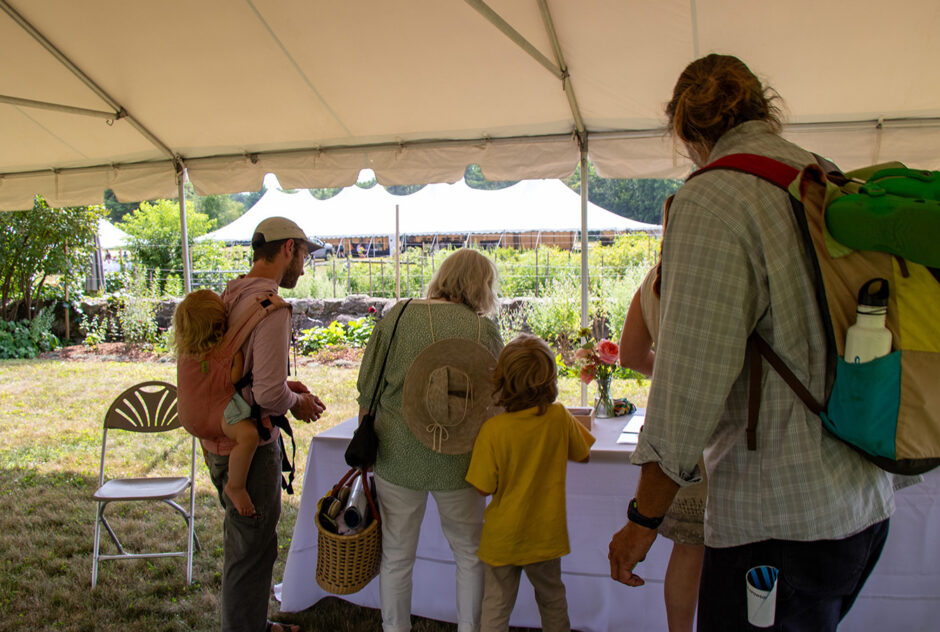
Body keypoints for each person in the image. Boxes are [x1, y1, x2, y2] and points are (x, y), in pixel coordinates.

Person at [607, 54, 899, 631]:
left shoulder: (712, 199)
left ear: (688, 132)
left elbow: (688, 383)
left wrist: (644, 517)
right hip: (862, 500)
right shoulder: (823, 175)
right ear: (764, 109)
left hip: (780, 521)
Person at [356, 248, 504, 632]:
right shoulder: (482, 330)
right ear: (481, 285)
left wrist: (365, 444)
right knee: (470, 555)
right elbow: (497, 398)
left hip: (396, 452)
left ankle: (396, 628)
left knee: (397, 557)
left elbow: (368, 390)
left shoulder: (398, 316)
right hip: (461, 458)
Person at [202, 216, 326, 632]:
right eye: (305, 254)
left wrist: (280, 386)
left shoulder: (232, 292)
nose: (305, 265)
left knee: (245, 542)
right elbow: (270, 394)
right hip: (250, 448)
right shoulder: (271, 308)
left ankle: (252, 623)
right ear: (288, 249)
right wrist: (298, 401)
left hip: (223, 434)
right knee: (252, 547)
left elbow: (242, 374)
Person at [466, 334, 594, 632]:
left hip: (502, 539)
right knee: (552, 600)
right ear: (550, 378)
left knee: (496, 605)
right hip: (545, 535)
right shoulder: (559, 417)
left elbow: (482, 487)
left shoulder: (493, 430)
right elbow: (583, 454)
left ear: (502, 380)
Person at [619, 261, 705, 632]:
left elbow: (631, 355)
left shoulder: (654, 278)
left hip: (677, 426)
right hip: (726, 431)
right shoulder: (717, 269)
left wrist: (670, 375)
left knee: (689, 547)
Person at [172, 289, 261, 517]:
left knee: (213, 433)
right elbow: (234, 380)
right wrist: (239, 359)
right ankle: (236, 486)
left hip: (191, 419)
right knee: (248, 436)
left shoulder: (184, 354)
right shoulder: (224, 353)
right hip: (217, 416)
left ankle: (207, 454)